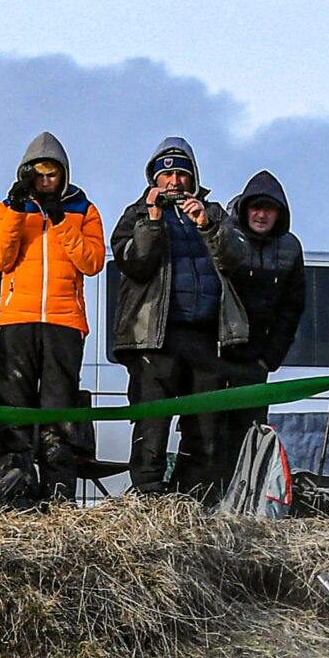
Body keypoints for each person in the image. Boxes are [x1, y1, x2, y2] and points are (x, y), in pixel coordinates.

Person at [114, 136, 259, 499]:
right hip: (155, 337)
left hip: (207, 335)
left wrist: (207, 225)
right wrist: (152, 221)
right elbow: (135, 263)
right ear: (154, 179)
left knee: (205, 425)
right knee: (152, 422)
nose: (174, 182)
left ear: (193, 178)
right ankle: (148, 497)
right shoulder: (135, 214)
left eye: (181, 174)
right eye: (166, 175)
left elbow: (238, 258)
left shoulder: (215, 213)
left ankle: (192, 498)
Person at [0, 131, 104, 499]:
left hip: (64, 322)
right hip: (16, 321)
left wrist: (59, 218)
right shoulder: (9, 207)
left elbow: (92, 262)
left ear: (63, 174)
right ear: (25, 173)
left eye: (51, 174)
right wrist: (16, 208)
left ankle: (59, 497)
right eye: (37, 174)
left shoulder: (84, 208)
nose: (45, 181)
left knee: (59, 416)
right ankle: (15, 494)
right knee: (14, 411)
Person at [228, 171, 306, 396]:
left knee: (251, 419)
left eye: (269, 209)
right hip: (216, 360)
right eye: (256, 208)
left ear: (279, 213)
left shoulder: (290, 248)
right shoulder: (225, 238)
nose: (261, 215)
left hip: (257, 363)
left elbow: (291, 309)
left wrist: (269, 359)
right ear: (245, 209)